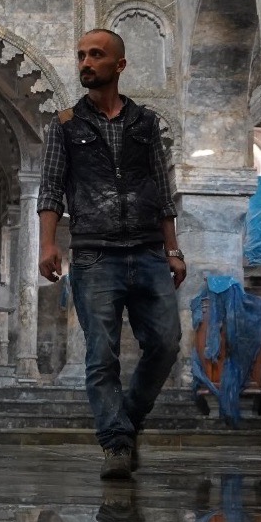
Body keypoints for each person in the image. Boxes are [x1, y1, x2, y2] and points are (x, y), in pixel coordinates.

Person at [39, 28, 185, 480]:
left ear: (119, 65)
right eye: (81, 55)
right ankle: (116, 443)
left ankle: (127, 420)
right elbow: (51, 189)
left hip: (147, 250)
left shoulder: (146, 124)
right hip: (94, 255)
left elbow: (162, 190)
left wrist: (173, 248)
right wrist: (47, 243)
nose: (86, 62)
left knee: (165, 344)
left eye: (96, 55)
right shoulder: (65, 125)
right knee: (101, 354)